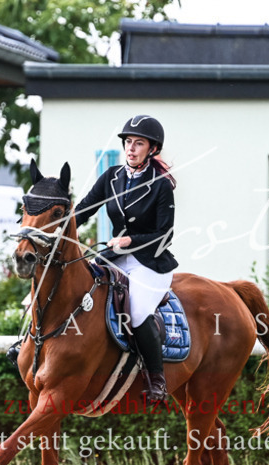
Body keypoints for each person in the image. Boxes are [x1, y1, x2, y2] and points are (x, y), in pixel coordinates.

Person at [74, 115, 178, 403]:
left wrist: (130, 240)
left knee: (135, 312)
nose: (130, 148)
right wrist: (59, 228)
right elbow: (84, 209)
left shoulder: (160, 186)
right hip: (115, 257)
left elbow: (164, 235)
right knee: (73, 287)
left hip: (150, 262)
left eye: (138, 143)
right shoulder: (111, 177)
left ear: (152, 149)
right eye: (128, 142)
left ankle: (156, 378)